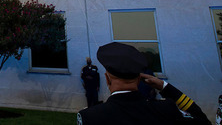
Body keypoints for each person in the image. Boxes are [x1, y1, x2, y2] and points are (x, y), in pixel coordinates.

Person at [77, 42, 210, 124]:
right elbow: (203, 121)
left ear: (107, 78)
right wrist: (165, 87)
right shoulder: (166, 109)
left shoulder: (91, 117)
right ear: (140, 77)